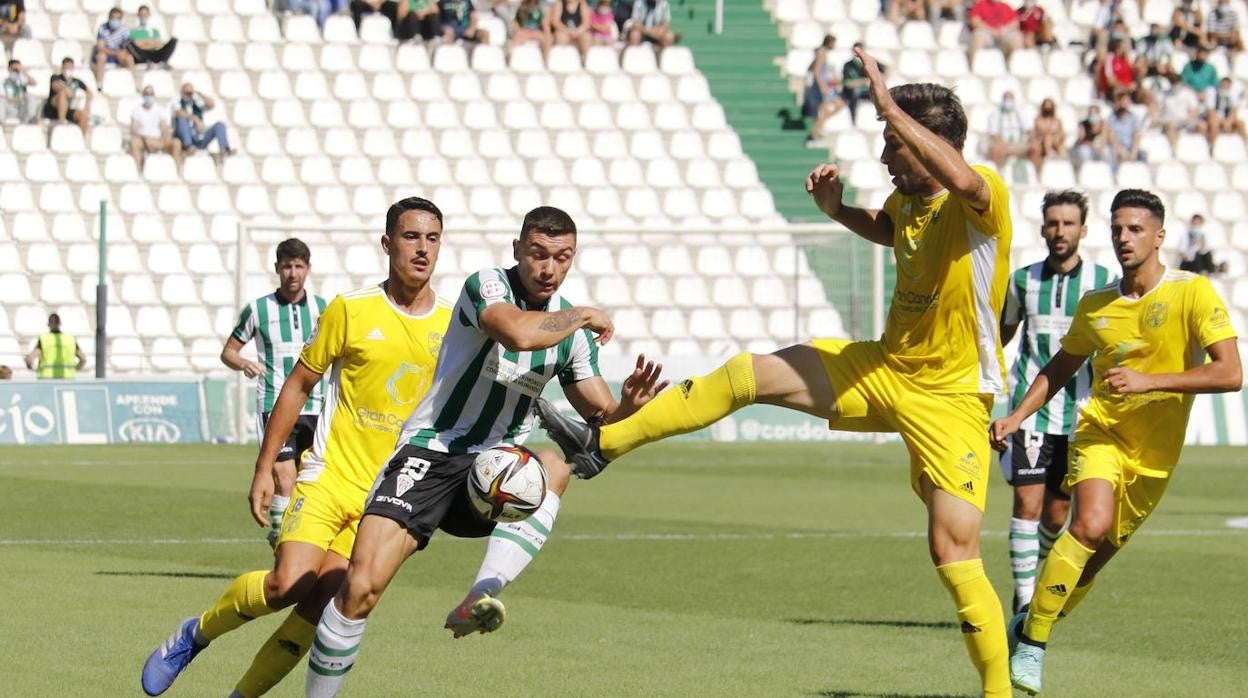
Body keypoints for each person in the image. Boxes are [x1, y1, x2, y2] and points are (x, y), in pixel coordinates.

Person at [536, 47, 1017, 698]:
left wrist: (887, 106)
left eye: (892, 143)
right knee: (748, 373)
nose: (882, 157)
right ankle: (602, 444)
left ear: (927, 143)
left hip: (953, 398)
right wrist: (837, 213)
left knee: (952, 551)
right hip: (881, 367)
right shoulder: (906, 203)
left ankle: (998, 694)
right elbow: (888, 226)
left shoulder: (983, 198)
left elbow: (961, 183)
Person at [303, 207, 667, 695]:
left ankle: (482, 594)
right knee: (360, 589)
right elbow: (516, 331)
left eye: (561, 258)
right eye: (538, 254)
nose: (548, 268)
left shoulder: (572, 339)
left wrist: (629, 406)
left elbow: (600, 415)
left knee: (556, 465)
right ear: (517, 250)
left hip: (494, 470)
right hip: (430, 452)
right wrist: (582, 314)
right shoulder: (488, 286)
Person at [141, 198, 454, 698]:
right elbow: (297, 385)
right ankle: (195, 633)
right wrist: (265, 467)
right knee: (288, 584)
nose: (422, 249)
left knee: (321, 606)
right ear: (387, 243)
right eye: (411, 237)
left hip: (387, 499)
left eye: (432, 238)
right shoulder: (350, 309)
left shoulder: (454, 324)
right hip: (330, 477)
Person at [994, 188, 1242, 694]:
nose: (1124, 238)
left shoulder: (1192, 293)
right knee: (1089, 523)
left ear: (1159, 236)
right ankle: (1035, 643)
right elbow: (1059, 367)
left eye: (1135, 229)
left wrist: (1152, 381)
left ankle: (1028, 628)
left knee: (1090, 563)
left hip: (1154, 459)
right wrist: (1017, 415)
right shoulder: (1097, 304)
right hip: (1101, 431)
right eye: (1117, 229)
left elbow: (1230, 373)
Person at [998, 190, 1116, 613]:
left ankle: (1036, 570)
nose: (1059, 231)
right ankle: (1024, 603)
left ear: (1083, 230)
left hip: (1080, 414)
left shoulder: (1103, 282)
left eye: (1068, 224)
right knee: (1027, 505)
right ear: (1043, 227)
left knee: (1054, 517)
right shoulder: (1022, 280)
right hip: (1030, 411)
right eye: (1053, 223)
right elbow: (1001, 338)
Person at [222, 238, 328, 548]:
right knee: (284, 479)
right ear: (277, 269)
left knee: (309, 481)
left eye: (298, 266)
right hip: (273, 403)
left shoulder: (324, 309)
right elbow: (228, 351)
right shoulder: (257, 309)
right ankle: (283, 546)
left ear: (308, 269)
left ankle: (290, 537)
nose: (292, 273)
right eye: (286, 267)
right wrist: (244, 363)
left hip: (317, 407)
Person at [804, 34, 845, 147]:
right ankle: (813, 136)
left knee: (832, 108)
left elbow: (812, 68)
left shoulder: (820, 52)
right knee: (824, 113)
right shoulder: (822, 53)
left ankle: (818, 130)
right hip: (823, 88)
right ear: (829, 43)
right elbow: (816, 71)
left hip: (825, 85)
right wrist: (823, 86)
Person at [170, 82, 232, 156]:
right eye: (187, 93)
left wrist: (200, 94)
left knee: (220, 125)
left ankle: (224, 149)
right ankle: (188, 146)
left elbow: (211, 104)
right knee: (182, 120)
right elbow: (178, 113)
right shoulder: (177, 102)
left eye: (191, 93)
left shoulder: (196, 104)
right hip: (185, 139)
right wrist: (195, 118)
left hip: (199, 137)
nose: (189, 95)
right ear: (182, 93)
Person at [130, 85, 182, 168]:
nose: (149, 96)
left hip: (159, 139)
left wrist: (161, 142)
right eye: (147, 94)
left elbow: (165, 128)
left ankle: (179, 171)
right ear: (143, 95)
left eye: (151, 94)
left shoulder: (160, 109)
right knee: (135, 143)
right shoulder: (137, 110)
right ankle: (138, 170)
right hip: (143, 139)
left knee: (176, 143)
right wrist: (146, 139)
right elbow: (134, 129)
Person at [24, 313, 87, 379]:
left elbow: (30, 360)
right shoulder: (70, 339)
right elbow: (83, 359)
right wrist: (73, 370)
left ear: (48, 324)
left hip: (47, 379)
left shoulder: (44, 339)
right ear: (60, 323)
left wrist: (31, 367)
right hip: (68, 379)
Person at [984, 90, 1035, 170]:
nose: (1008, 101)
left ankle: (1035, 174)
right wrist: (1006, 147)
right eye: (1006, 98)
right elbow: (994, 135)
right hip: (1003, 144)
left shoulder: (1021, 113)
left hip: (1019, 144)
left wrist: (1027, 142)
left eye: (1010, 98)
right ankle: (997, 174)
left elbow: (1029, 131)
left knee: (1035, 147)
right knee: (996, 150)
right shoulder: (995, 114)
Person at [43, 57, 92, 134]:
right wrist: (66, 89)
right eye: (66, 67)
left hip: (69, 108)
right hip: (54, 109)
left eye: (70, 67)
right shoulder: (56, 77)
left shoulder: (77, 82)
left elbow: (89, 92)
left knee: (83, 116)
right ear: (62, 67)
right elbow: (55, 86)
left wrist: (87, 106)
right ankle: (62, 124)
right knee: (62, 94)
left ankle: (80, 139)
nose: (68, 69)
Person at [94, 6, 135, 88]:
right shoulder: (103, 28)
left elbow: (129, 46)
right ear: (109, 18)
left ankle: (129, 82)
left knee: (129, 58)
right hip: (107, 54)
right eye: (113, 18)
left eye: (118, 18)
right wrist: (116, 53)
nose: (115, 20)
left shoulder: (124, 30)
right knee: (101, 56)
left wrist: (122, 53)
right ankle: (99, 84)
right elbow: (100, 47)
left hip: (119, 55)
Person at [1028, 97, 1066, 171]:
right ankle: (1049, 155)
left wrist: (1057, 136)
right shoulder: (1038, 119)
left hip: (1055, 142)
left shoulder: (1057, 120)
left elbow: (1061, 132)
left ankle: (1061, 162)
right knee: (1048, 137)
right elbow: (1043, 131)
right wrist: (1052, 132)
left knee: (1058, 141)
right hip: (1042, 142)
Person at [3, 59, 35, 124]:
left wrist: (23, 72)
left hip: (21, 108)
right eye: (13, 70)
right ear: (9, 69)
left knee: (31, 97)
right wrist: (19, 98)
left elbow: (34, 83)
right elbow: (6, 99)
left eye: (17, 70)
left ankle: (31, 119)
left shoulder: (21, 81)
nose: (15, 72)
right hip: (9, 109)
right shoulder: (4, 83)